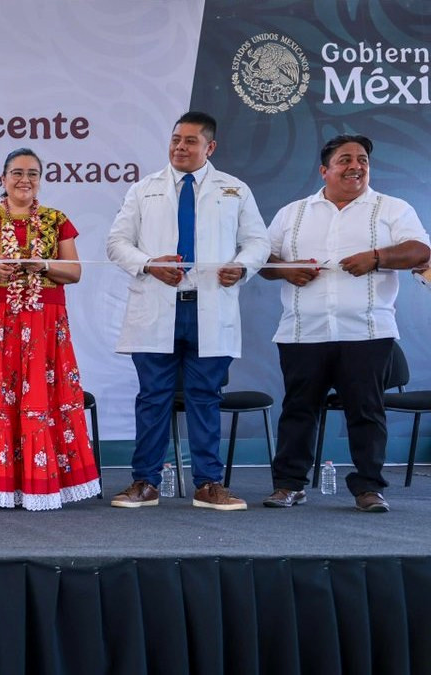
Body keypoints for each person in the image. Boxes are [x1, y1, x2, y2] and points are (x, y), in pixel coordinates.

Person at [106, 111, 270, 511]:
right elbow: (116, 242)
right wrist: (148, 263)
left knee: (205, 397)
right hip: (158, 306)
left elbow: (258, 241)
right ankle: (144, 482)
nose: (180, 147)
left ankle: (209, 484)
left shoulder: (234, 189)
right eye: (176, 139)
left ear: (209, 147)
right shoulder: (144, 189)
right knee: (153, 398)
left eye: (190, 141)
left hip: (209, 308)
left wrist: (243, 266)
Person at [259, 134, 430, 513]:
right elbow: (263, 260)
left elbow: (420, 251)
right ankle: (289, 485)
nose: (356, 166)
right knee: (299, 409)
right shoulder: (293, 213)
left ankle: (369, 488)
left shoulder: (392, 208)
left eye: (363, 160)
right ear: (325, 170)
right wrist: (286, 269)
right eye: (346, 159)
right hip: (303, 330)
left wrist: (376, 256)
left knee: (366, 412)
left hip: (367, 331)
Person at [0, 148, 101, 510]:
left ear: (40, 180)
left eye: (32, 173)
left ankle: (43, 484)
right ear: (2, 179)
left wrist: (42, 265)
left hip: (44, 323)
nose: (24, 180)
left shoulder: (56, 219)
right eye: (17, 173)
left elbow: (73, 272)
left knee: (42, 398)